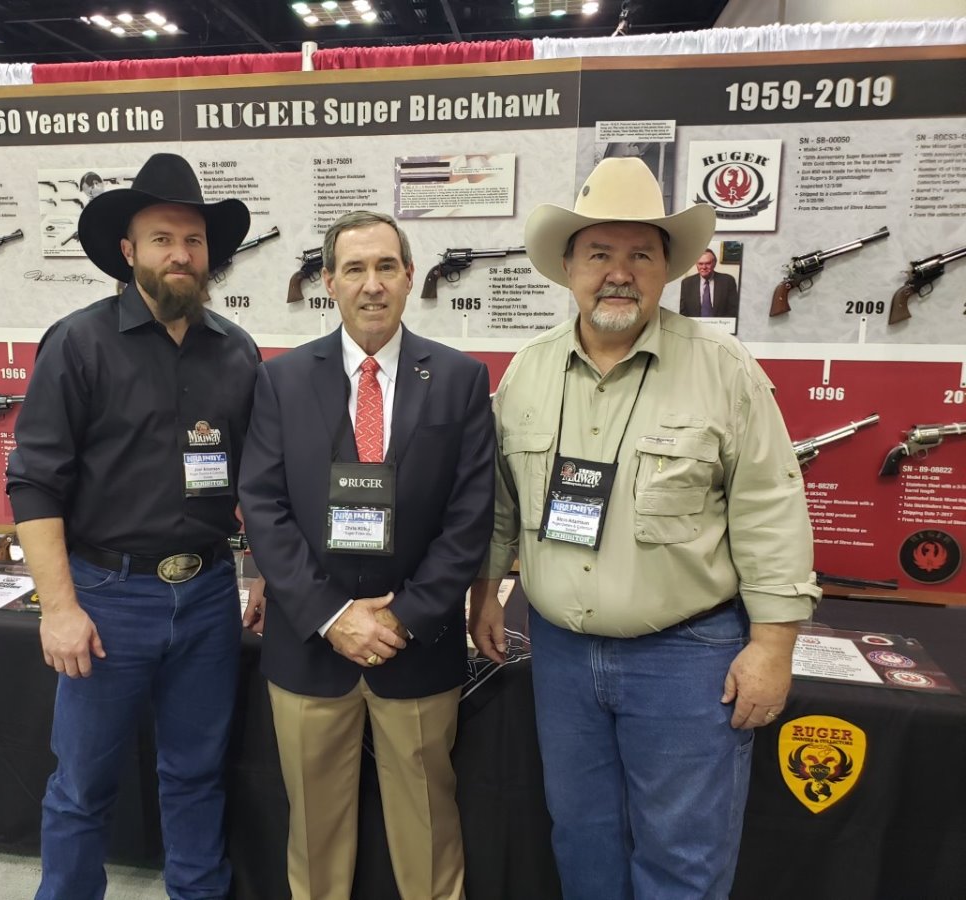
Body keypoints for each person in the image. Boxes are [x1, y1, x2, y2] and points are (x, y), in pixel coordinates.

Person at [469, 158, 819, 900]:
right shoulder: (527, 372)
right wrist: (486, 592)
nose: (619, 273)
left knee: (683, 857)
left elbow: (771, 508)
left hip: (687, 659)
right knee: (581, 837)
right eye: (599, 253)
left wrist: (772, 646)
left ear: (668, 270)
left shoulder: (723, 369)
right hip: (561, 654)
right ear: (569, 268)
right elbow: (500, 501)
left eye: (641, 255)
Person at [6, 152, 259, 900]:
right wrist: (58, 608)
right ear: (128, 250)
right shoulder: (77, 344)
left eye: (193, 240)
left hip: (208, 597)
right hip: (107, 599)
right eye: (162, 239)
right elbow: (33, 481)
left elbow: (259, 479)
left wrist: (263, 573)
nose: (180, 254)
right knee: (82, 787)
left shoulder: (237, 352)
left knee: (197, 773)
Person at [238, 210, 495, 900]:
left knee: (429, 834)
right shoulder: (281, 380)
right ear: (329, 282)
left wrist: (402, 618)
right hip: (309, 648)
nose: (372, 284)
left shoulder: (461, 379)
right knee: (315, 839)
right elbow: (263, 506)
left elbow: (470, 516)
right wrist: (331, 616)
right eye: (354, 269)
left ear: (410, 276)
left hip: (417, 647)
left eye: (386, 267)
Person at [679, 248, 740, 318]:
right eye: (700, 264)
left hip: (720, 324)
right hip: (693, 324)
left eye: (708, 263)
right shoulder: (687, 283)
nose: (704, 267)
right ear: (696, 264)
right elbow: (683, 313)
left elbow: (733, 311)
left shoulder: (728, 281)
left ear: (714, 263)